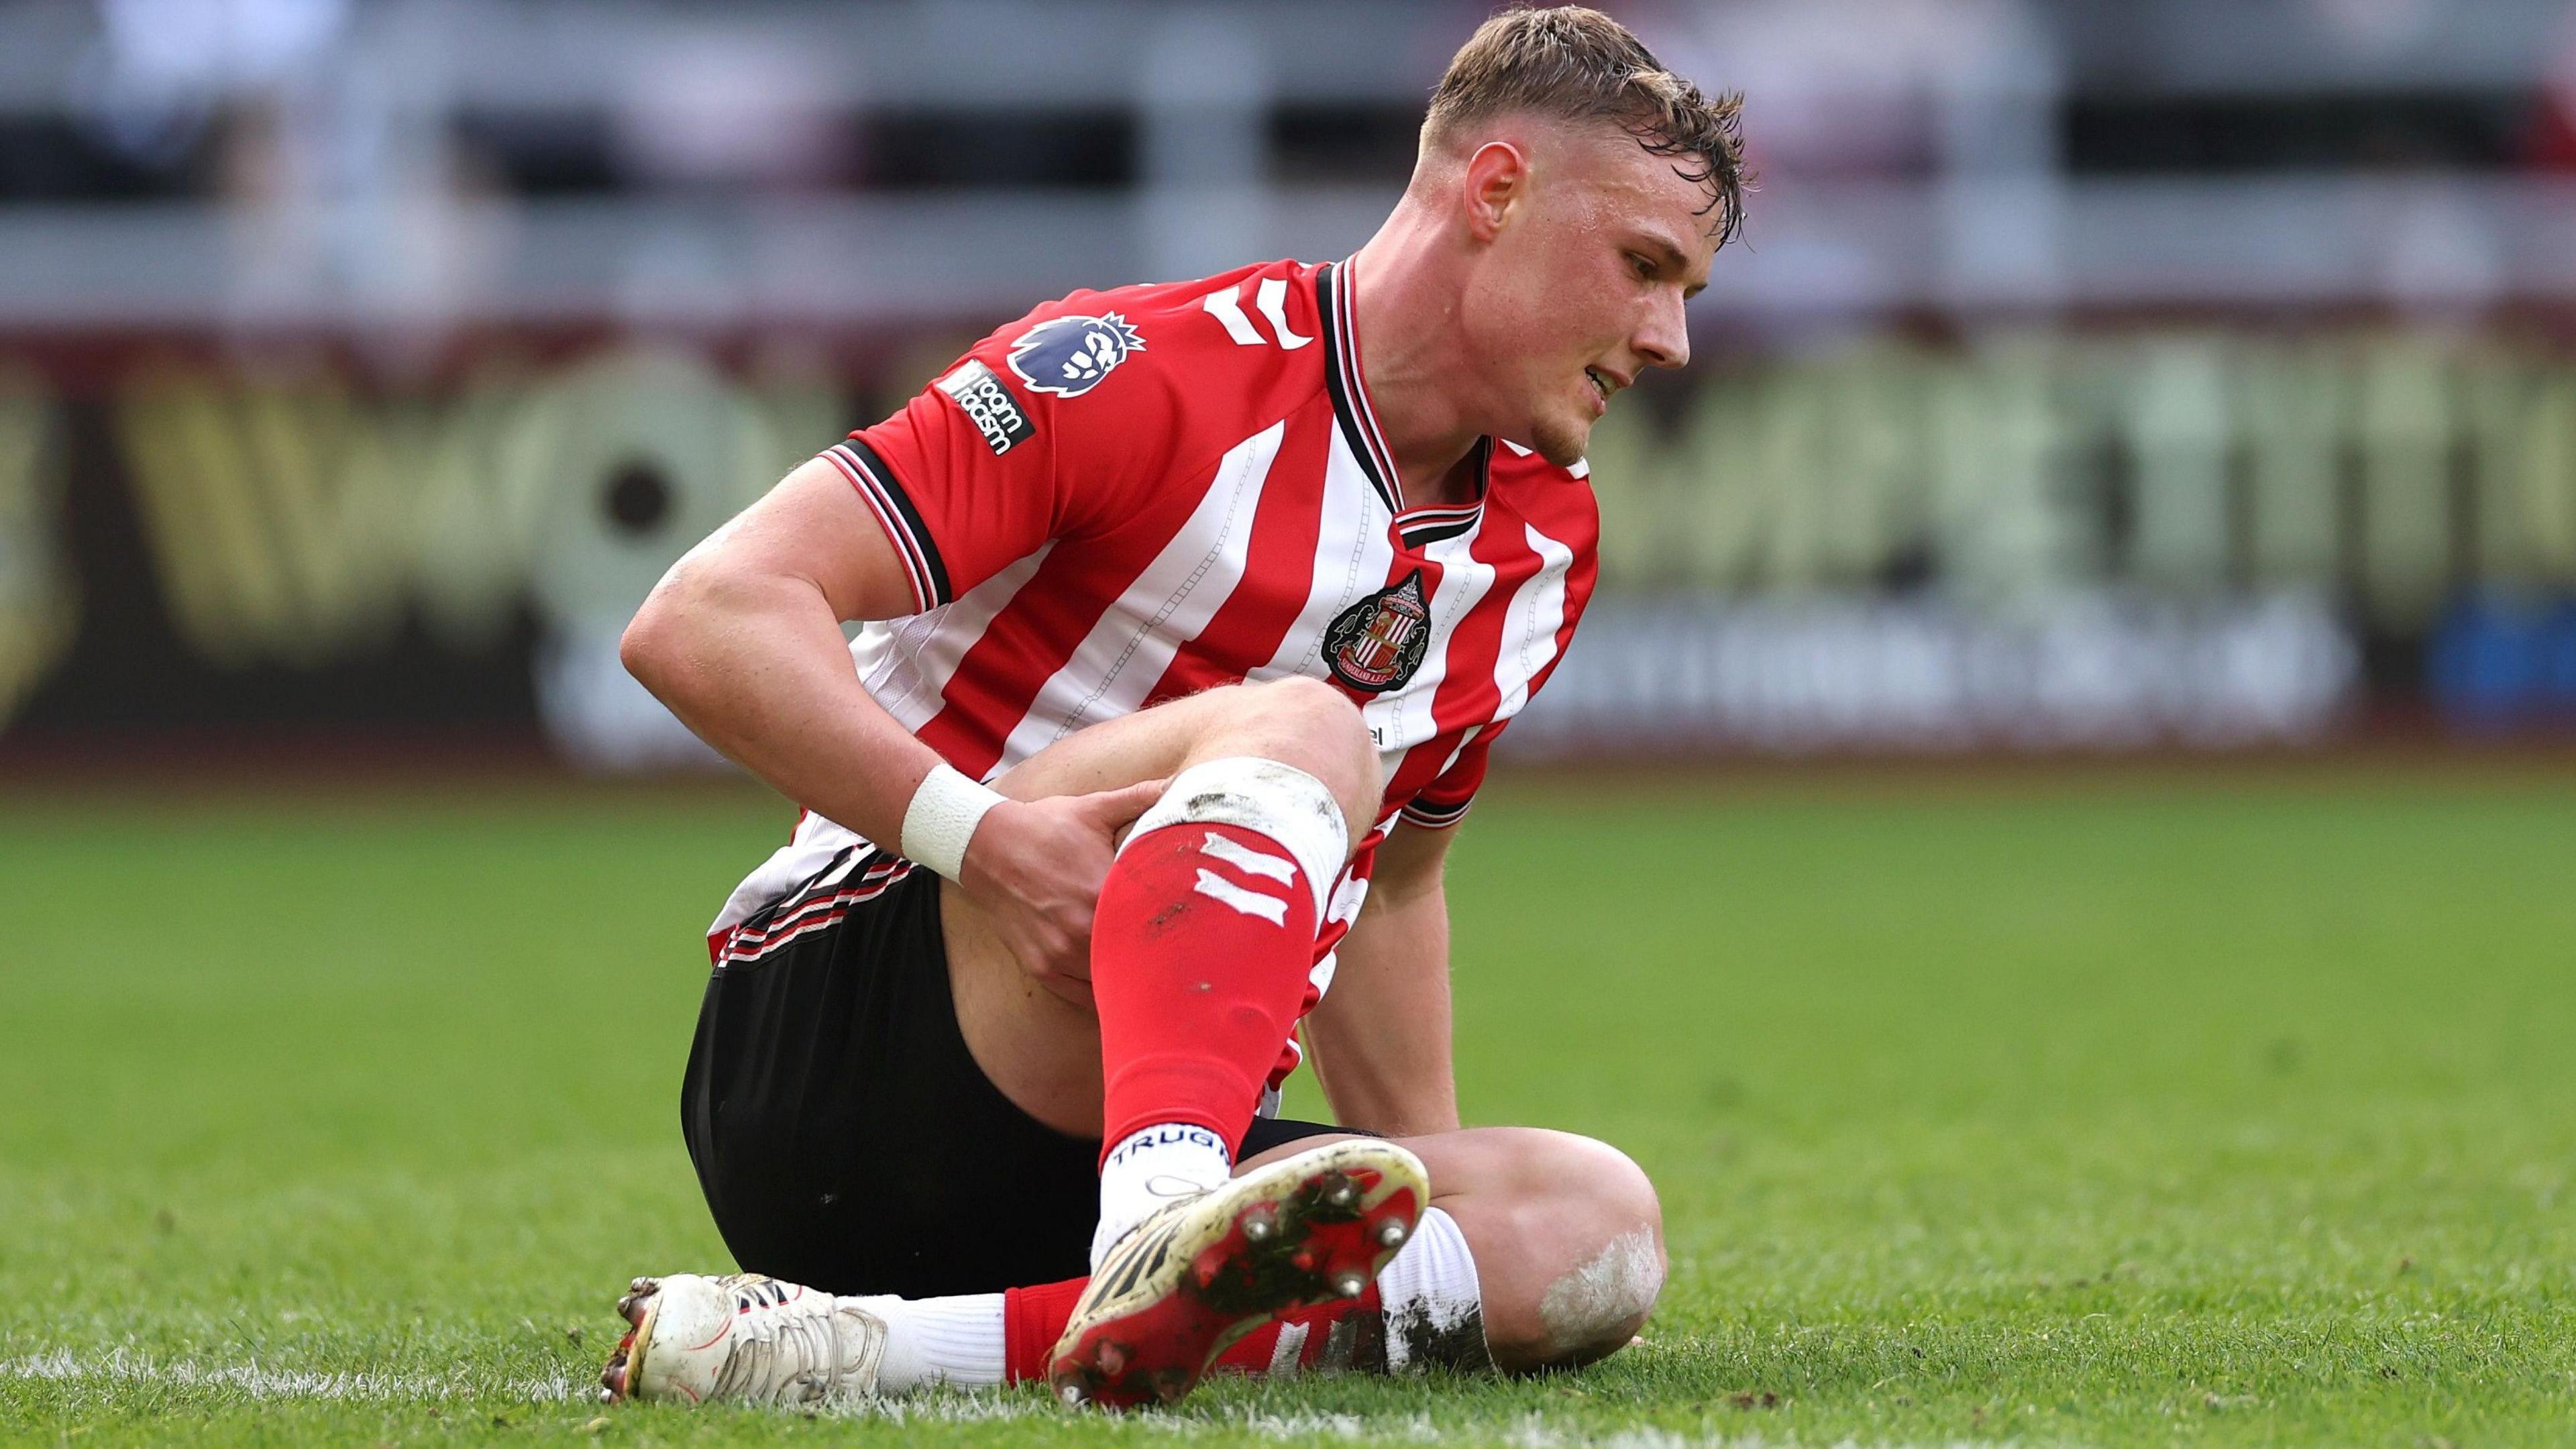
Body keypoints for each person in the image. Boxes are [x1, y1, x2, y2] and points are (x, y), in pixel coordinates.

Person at [598, 3, 1745, 1412]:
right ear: (1496, 192)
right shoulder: (1141, 370)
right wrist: (986, 843)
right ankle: (1157, 1221)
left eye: (1686, 291)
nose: (1670, 338)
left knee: (1592, 1231)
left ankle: (857, 1351)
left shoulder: (1543, 545)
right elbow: (704, 615)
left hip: (1124, 1122)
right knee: (1311, 730)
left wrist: (1421, 1201)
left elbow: (1390, 897)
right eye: (1644, 267)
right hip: (847, 1041)